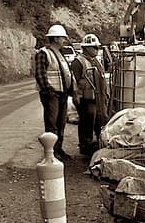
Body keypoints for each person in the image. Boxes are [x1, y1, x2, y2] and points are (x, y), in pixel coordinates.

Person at [34, 24, 76, 160]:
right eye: (62, 38)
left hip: (62, 94)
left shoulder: (60, 53)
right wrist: (48, 91)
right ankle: (51, 153)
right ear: (56, 38)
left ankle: (58, 149)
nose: (64, 40)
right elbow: (40, 74)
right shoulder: (43, 53)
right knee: (52, 124)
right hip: (52, 94)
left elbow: (66, 73)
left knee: (60, 123)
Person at [72, 34, 110, 157]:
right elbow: (74, 81)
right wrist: (76, 96)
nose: (97, 50)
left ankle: (97, 143)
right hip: (86, 98)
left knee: (98, 121)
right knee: (87, 122)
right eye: (94, 47)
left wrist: (105, 94)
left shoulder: (95, 61)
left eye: (97, 47)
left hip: (97, 97)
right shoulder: (78, 62)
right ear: (86, 48)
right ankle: (85, 146)